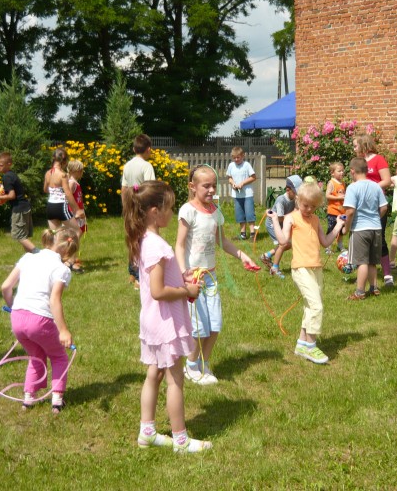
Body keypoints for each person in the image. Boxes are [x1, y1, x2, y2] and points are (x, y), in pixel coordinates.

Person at [123, 180, 212, 453]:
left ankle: (147, 432)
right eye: (169, 209)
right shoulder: (157, 246)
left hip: (152, 322)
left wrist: (181, 278)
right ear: (153, 211)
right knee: (175, 380)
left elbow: (157, 283)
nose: (172, 214)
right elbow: (159, 291)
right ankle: (181, 440)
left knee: (155, 374)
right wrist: (187, 290)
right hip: (165, 324)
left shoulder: (144, 241)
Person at [175, 165, 258, 385]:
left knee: (215, 325)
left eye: (214, 185)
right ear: (192, 187)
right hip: (194, 279)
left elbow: (223, 241)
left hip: (211, 278)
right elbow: (179, 245)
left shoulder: (215, 211)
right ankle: (191, 366)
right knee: (199, 327)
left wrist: (242, 255)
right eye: (206, 186)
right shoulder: (188, 210)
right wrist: (184, 273)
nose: (212, 190)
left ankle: (204, 362)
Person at [0, 227, 79, 414]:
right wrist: (63, 330)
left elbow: (5, 287)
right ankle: (57, 400)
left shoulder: (28, 258)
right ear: (68, 251)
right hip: (40, 320)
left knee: (36, 356)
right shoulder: (61, 269)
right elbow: (54, 300)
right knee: (58, 356)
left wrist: (13, 307)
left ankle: (28, 398)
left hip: (17, 319)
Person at [267, 182, 346, 364]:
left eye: (313, 206)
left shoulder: (316, 220)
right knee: (316, 306)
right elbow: (282, 240)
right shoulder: (291, 218)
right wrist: (273, 220)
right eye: (305, 205)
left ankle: (301, 343)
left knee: (311, 306)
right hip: (300, 268)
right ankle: (311, 346)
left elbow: (325, 242)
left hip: (316, 268)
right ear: (298, 200)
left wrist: (338, 226)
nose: (309, 209)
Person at [343, 157, 388, 300]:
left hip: (359, 229)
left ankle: (360, 292)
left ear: (352, 171)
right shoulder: (376, 186)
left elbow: (349, 212)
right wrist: (375, 217)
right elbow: (384, 207)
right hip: (376, 228)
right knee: (372, 261)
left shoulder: (352, 187)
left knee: (361, 261)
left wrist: (346, 227)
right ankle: (374, 288)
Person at [353, 134, 394, 286]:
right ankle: (364, 273)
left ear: (364, 145)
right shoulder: (359, 162)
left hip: (376, 203)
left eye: (356, 145)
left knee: (379, 238)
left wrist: (370, 187)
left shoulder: (379, 159)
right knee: (361, 238)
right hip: (361, 204)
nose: (354, 148)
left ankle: (387, 273)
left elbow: (387, 180)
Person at [121, 134, 156, 287]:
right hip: (143, 207)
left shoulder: (127, 165)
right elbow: (150, 187)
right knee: (144, 239)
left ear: (134, 148)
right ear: (148, 149)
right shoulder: (147, 166)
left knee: (132, 238)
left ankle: (132, 273)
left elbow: (124, 188)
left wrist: (126, 206)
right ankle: (140, 276)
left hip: (130, 205)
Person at [0, 152, 36, 254]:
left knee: (19, 236)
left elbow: (12, 196)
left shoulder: (7, 177)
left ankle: (38, 254)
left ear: (9, 164)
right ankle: (29, 259)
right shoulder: (11, 175)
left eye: (1, 165)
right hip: (24, 207)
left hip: (19, 209)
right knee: (24, 237)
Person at [260, 175, 303, 279]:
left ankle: (266, 256)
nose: (298, 194)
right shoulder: (281, 200)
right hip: (273, 224)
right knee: (283, 244)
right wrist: (294, 213)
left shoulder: (294, 198)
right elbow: (279, 218)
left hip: (282, 224)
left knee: (288, 245)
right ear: (288, 190)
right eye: (296, 192)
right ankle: (275, 268)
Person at [43, 147, 83, 231]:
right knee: (77, 231)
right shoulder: (63, 175)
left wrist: (54, 190)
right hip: (61, 206)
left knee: (55, 235)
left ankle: (60, 244)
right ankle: (68, 245)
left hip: (50, 206)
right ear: (64, 161)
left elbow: (45, 190)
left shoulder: (47, 173)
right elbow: (68, 193)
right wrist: (78, 210)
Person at [226, 147, 257, 240]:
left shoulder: (246, 165)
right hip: (237, 194)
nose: (236, 160)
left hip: (247, 194)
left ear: (242, 156)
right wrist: (233, 183)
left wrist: (243, 183)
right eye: (234, 158)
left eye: (238, 157)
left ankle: (252, 234)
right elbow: (229, 177)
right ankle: (243, 234)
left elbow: (253, 177)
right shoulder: (231, 165)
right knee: (240, 214)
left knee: (249, 214)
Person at [67, 159, 87, 273]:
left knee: (77, 234)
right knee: (75, 235)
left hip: (78, 212)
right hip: (75, 213)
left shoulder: (75, 183)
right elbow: (68, 197)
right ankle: (71, 259)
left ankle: (71, 258)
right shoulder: (72, 183)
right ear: (75, 171)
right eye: (80, 170)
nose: (82, 172)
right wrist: (76, 211)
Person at [325, 162, 346, 254]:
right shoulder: (331, 183)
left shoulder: (343, 183)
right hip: (333, 211)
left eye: (342, 171)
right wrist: (338, 197)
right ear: (332, 173)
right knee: (332, 229)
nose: (342, 173)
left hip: (342, 212)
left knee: (341, 230)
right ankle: (328, 247)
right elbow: (327, 195)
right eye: (339, 171)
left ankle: (340, 245)